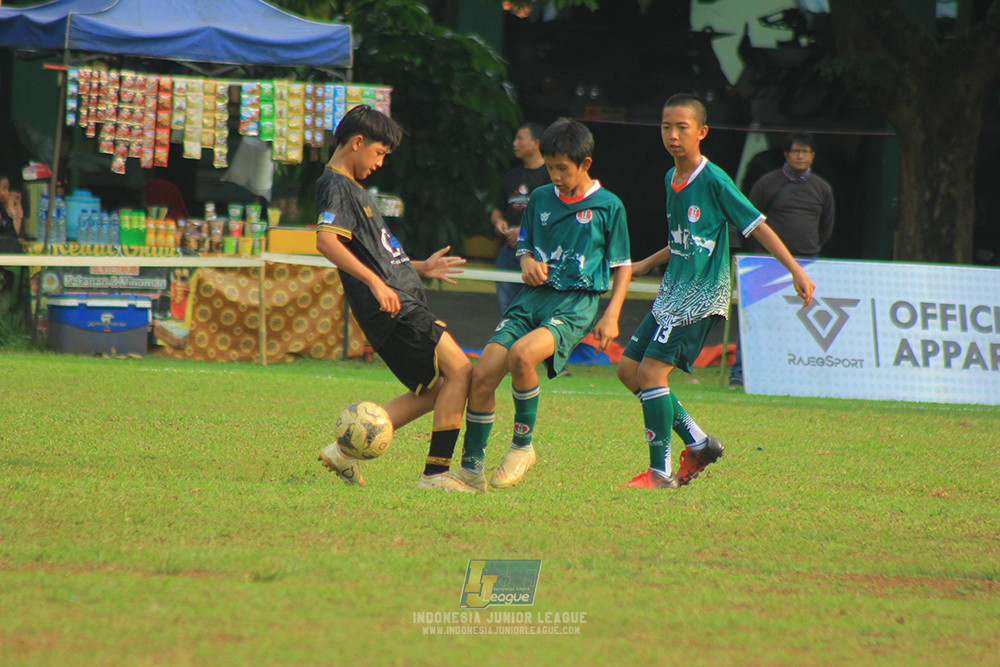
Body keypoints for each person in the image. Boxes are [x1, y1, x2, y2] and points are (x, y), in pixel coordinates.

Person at [618, 94, 815, 489]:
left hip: (701, 296)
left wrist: (795, 269)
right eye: (666, 127)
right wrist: (648, 263)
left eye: (682, 128)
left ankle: (660, 474)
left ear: (702, 132)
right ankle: (700, 443)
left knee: (653, 373)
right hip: (672, 292)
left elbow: (756, 225)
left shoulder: (714, 179)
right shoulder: (670, 178)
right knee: (628, 371)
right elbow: (685, 239)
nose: (672, 136)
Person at [456, 118, 633, 490]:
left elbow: (622, 265)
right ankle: (471, 471)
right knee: (483, 374)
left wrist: (612, 314)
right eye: (550, 167)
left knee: (522, 355)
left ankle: (522, 446)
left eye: (561, 169)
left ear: (585, 164)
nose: (554, 175)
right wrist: (526, 262)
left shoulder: (608, 206)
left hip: (574, 303)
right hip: (533, 298)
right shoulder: (539, 199)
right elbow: (525, 246)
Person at [313, 105, 479, 493]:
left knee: (435, 389)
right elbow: (325, 241)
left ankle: (345, 451)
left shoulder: (352, 189)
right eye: (379, 153)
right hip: (394, 307)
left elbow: (376, 253)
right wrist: (376, 284)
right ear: (357, 142)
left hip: (398, 299)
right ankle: (435, 476)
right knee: (461, 371)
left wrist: (418, 267)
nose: (380, 162)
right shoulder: (335, 184)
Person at [729, 131, 834, 386]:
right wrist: (757, 253)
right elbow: (750, 222)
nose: (800, 156)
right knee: (756, 318)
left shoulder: (822, 188)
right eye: (796, 151)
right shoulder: (767, 183)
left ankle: (797, 376)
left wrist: (809, 250)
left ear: (813, 156)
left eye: (805, 152)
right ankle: (740, 375)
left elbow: (827, 226)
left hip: (807, 262)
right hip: (766, 263)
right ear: (786, 154)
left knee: (804, 322)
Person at [491, 122, 549, 318]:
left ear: (536, 143)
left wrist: (524, 233)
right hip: (509, 252)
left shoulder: (551, 177)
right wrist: (499, 222)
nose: (514, 143)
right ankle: (506, 346)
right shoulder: (511, 176)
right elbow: (498, 210)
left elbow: (555, 218)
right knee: (507, 309)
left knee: (536, 310)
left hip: (539, 254)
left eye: (520, 138)